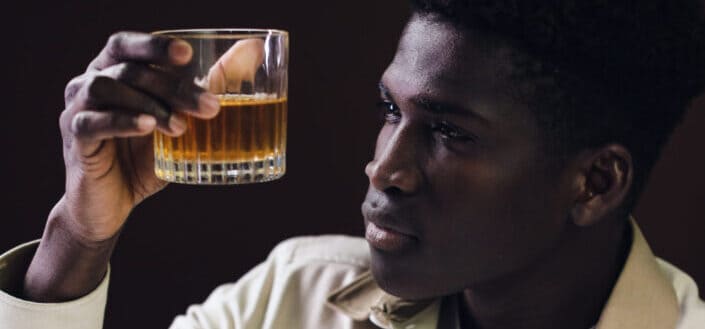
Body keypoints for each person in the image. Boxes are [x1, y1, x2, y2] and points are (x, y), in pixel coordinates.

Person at [1, 0, 704, 328]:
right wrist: (80, 239)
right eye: (390, 111)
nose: (383, 170)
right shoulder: (294, 298)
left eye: (451, 133)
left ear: (595, 182)